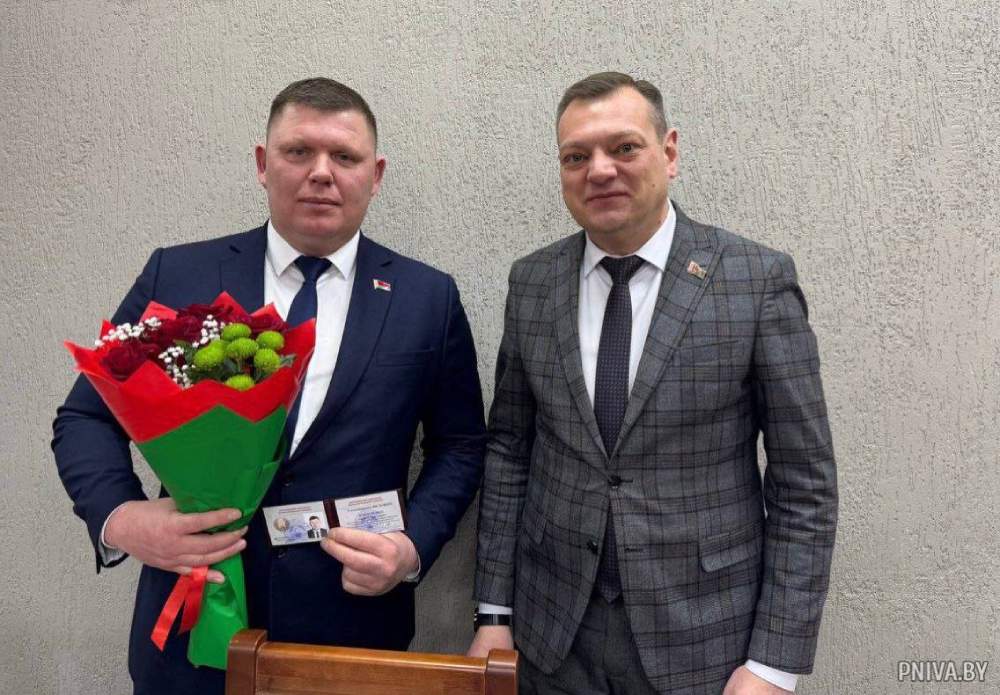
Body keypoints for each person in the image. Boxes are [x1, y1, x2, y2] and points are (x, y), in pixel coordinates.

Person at [52, 77, 486, 694]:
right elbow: (86, 415)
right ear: (263, 163)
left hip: (350, 634)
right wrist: (122, 518)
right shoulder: (179, 273)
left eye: (345, 156)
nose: (321, 173)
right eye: (298, 151)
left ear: (375, 175)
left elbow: (461, 445)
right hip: (191, 626)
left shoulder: (427, 298)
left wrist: (412, 546)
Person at [469, 72, 837, 695]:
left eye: (624, 147)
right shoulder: (532, 282)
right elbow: (509, 450)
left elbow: (804, 484)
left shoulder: (755, 281)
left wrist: (773, 664)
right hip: (551, 635)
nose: (599, 170)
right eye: (576, 157)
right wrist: (493, 613)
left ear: (669, 152)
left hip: (703, 641)